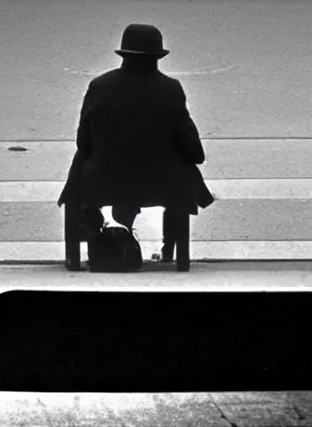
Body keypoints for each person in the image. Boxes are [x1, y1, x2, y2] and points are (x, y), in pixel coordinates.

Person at [58, 24, 213, 262]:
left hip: (103, 179)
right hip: (161, 182)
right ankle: (172, 245)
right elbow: (191, 148)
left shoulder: (100, 87)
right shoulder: (170, 89)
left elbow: (83, 141)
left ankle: (87, 228)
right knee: (183, 167)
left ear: (124, 56)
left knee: (81, 160)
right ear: (157, 58)